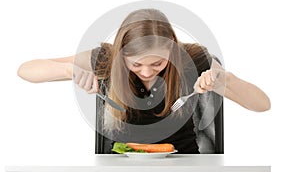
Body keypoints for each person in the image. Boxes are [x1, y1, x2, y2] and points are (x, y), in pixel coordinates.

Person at [17, 9, 271, 154]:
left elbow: (262, 104)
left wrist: (223, 80)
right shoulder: (105, 58)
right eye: (136, 64)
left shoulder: (194, 58)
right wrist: (69, 70)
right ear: (121, 54)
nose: (147, 72)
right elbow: (25, 70)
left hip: (184, 161)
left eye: (157, 64)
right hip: (119, 162)